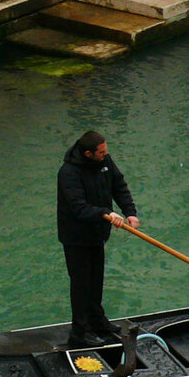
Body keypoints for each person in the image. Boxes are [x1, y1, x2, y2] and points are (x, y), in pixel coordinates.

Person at [57, 130, 140, 348]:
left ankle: (97, 321)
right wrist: (106, 214)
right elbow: (78, 208)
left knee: (96, 281)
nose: (105, 154)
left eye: (105, 151)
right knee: (81, 285)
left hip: (96, 235)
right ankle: (79, 332)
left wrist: (129, 212)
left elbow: (118, 185)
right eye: (101, 152)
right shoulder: (68, 173)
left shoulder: (105, 162)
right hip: (76, 238)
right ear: (88, 153)